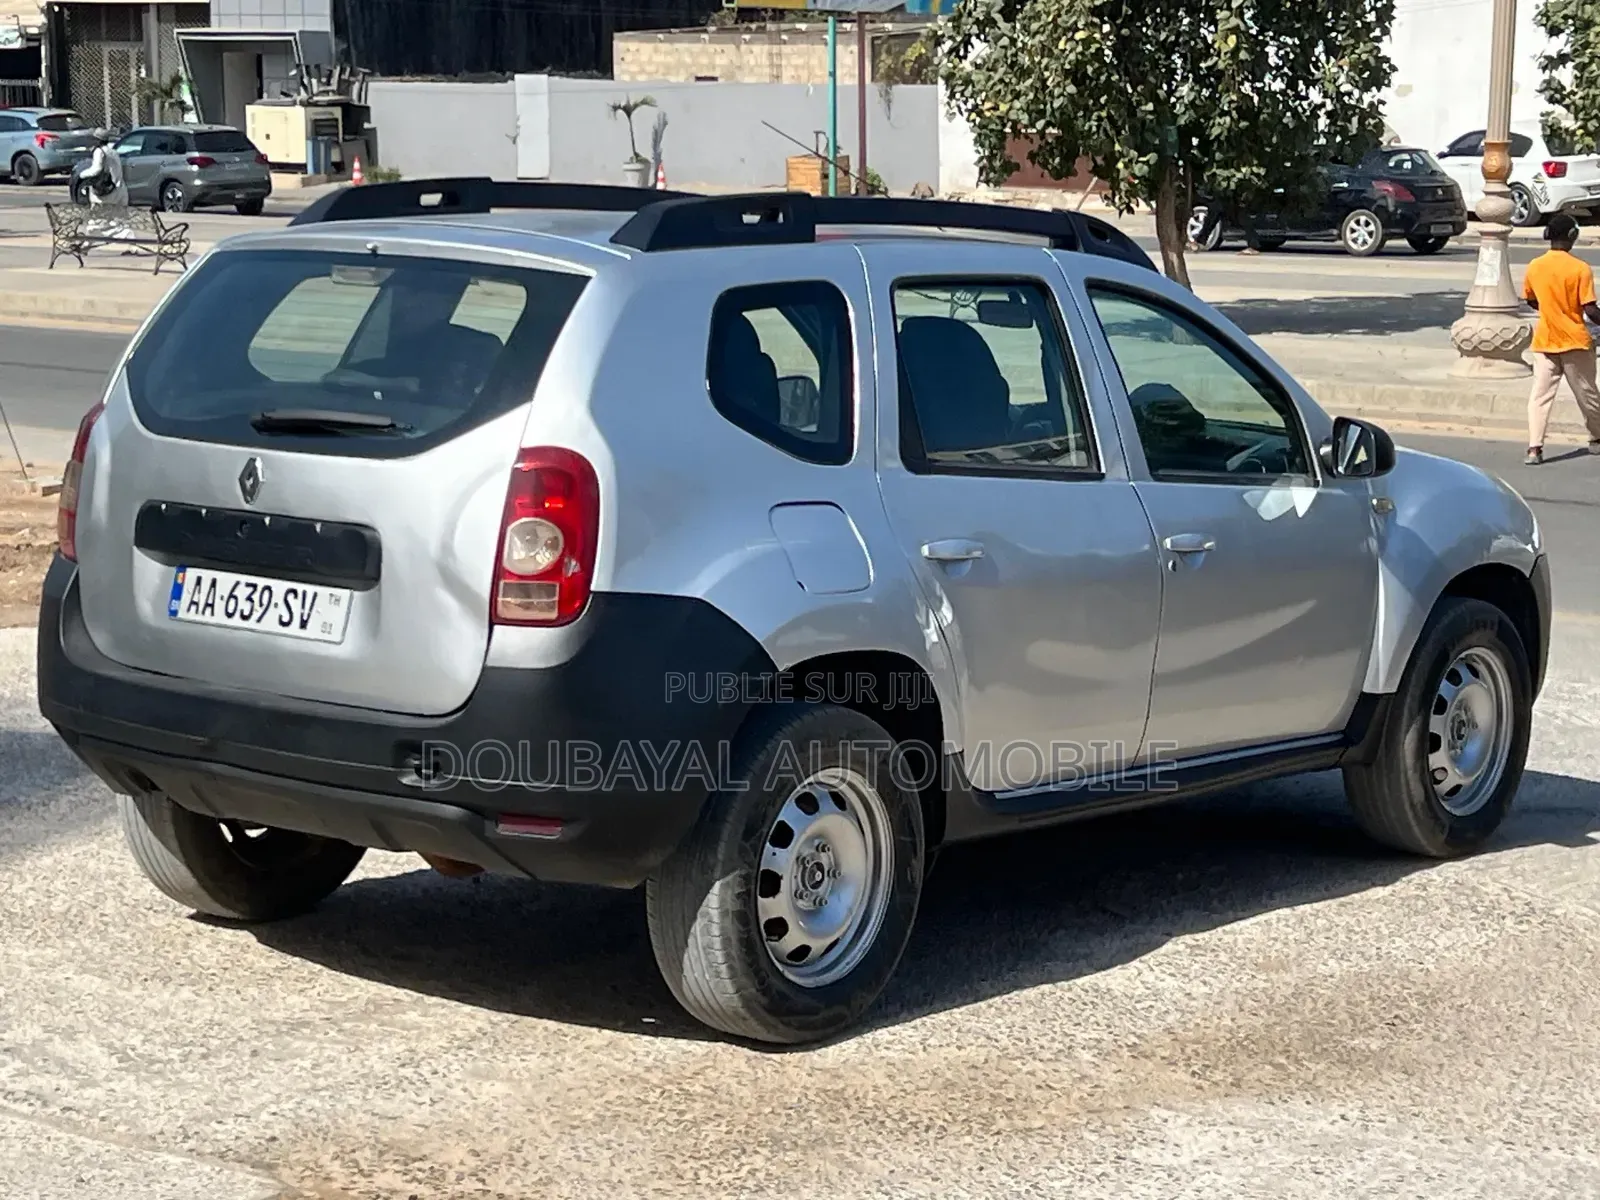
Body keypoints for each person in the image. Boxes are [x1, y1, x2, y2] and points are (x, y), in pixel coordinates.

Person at [1521, 211, 1600, 465]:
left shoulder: (1535, 266)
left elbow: (1532, 300)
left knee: (1540, 396)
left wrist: (1551, 309)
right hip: (1575, 342)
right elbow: (1590, 309)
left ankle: (1534, 448)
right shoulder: (1580, 269)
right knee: (1588, 395)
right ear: (1572, 236)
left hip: (1545, 342)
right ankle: (1597, 438)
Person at [78, 130, 127, 209]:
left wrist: (81, 175)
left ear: (98, 140)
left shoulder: (99, 151)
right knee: (117, 218)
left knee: (97, 219)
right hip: (120, 190)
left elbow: (96, 169)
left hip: (106, 194)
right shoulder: (113, 152)